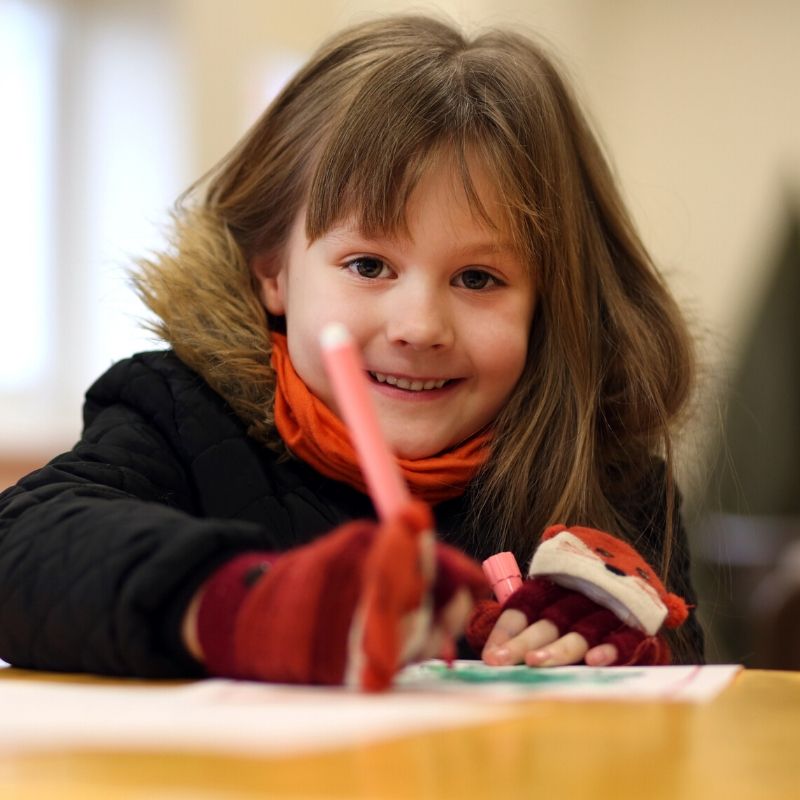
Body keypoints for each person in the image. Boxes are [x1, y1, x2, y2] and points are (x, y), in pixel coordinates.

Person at [0, 14, 704, 687]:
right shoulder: (176, 414)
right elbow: (20, 555)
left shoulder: (610, 477)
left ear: (549, 303)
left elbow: (680, 694)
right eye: (369, 265)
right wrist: (244, 607)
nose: (419, 325)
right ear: (273, 268)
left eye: (478, 278)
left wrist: (621, 644)